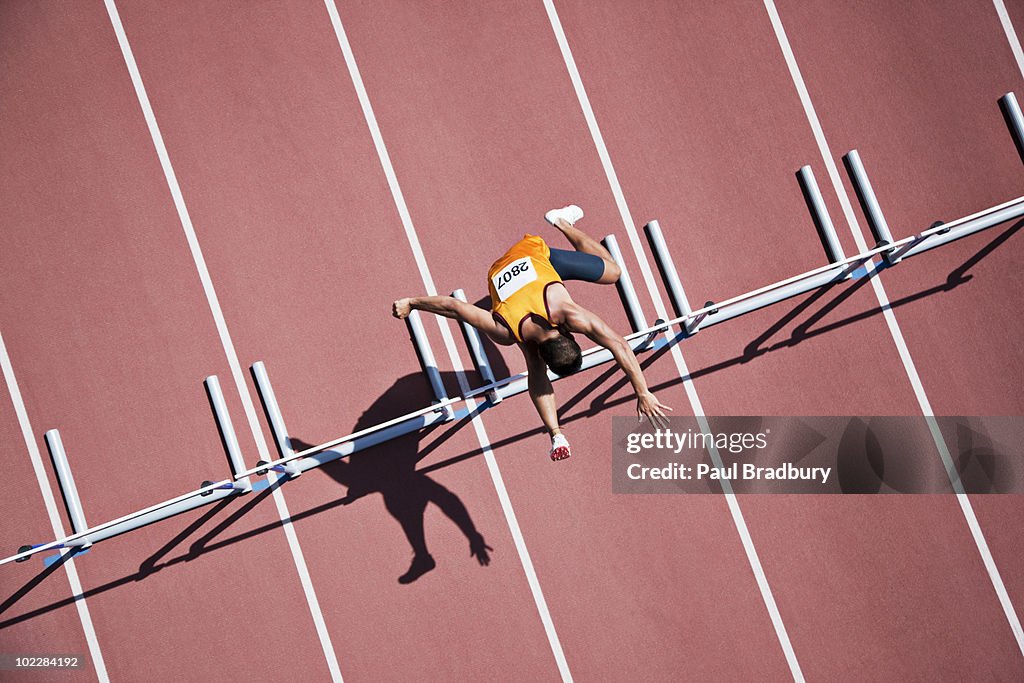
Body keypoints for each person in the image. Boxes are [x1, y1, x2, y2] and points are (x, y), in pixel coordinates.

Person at [392, 205, 671, 461]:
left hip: (529, 261)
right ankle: (561, 222)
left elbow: (618, 344)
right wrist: (411, 304)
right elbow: (454, 307)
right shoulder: (508, 331)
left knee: (612, 273)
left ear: (570, 335)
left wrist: (644, 392)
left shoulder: (568, 315)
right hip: (518, 261)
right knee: (612, 273)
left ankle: (563, 223)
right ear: (570, 332)